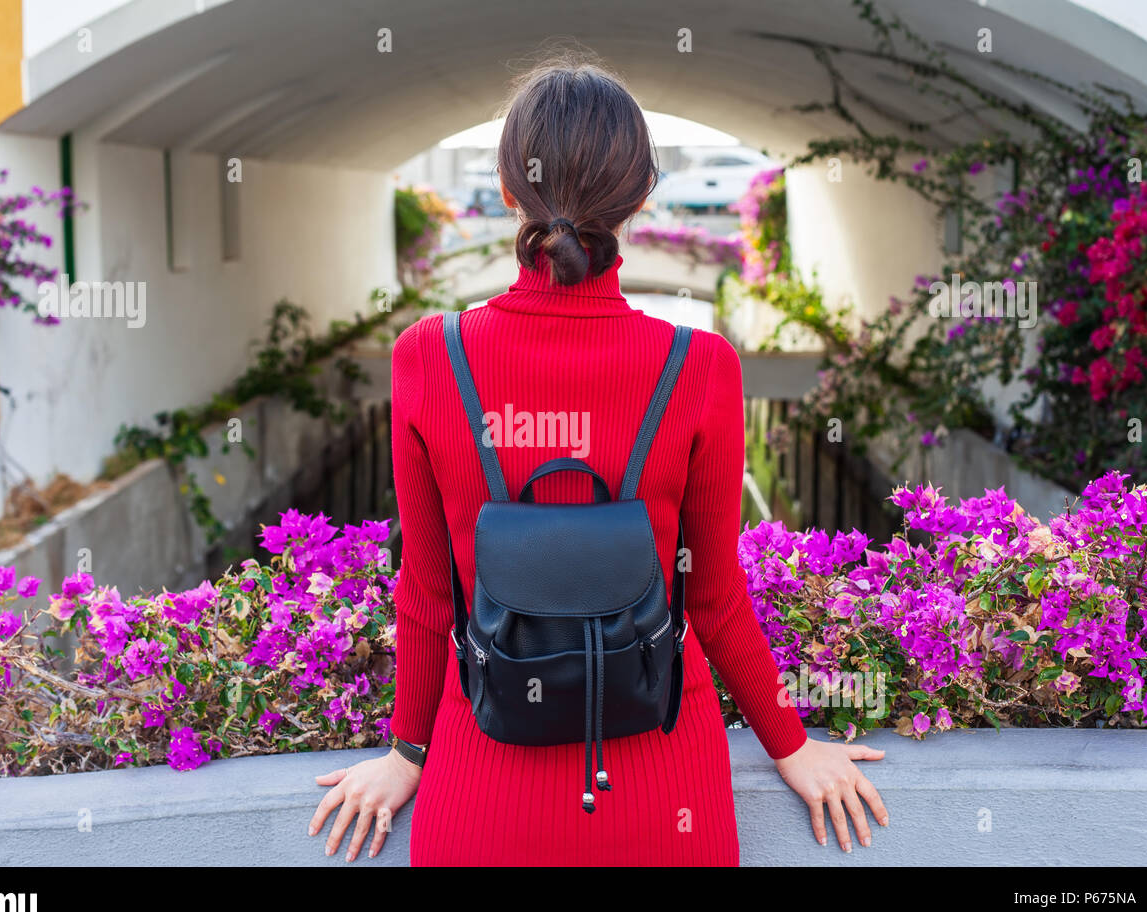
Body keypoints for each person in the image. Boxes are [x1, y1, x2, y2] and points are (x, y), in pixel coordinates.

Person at [309, 56, 887, 865]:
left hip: (482, 792)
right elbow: (715, 598)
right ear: (643, 197)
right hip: (662, 793)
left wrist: (408, 753)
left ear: (510, 191)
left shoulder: (428, 357)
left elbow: (428, 595)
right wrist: (791, 745)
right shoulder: (701, 366)